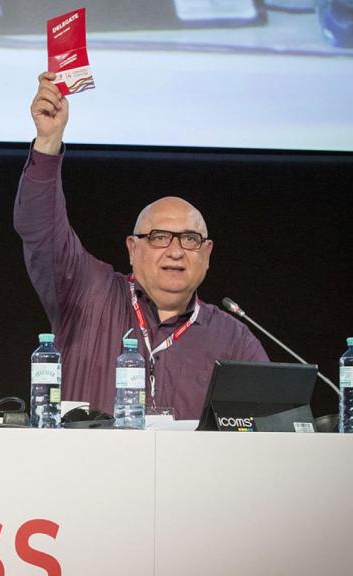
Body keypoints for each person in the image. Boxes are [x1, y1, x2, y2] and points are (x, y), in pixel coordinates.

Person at [14, 72, 267, 420]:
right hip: (84, 470)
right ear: (132, 249)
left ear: (207, 254)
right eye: (159, 238)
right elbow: (40, 228)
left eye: (190, 240)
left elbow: (269, 432)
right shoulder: (89, 294)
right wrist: (48, 141)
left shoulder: (233, 340)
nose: (176, 251)